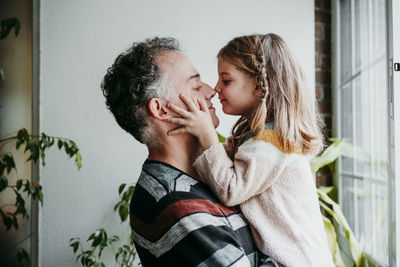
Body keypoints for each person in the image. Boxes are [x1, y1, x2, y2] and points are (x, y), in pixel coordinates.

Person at [100, 37, 277, 266]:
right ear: (162, 109)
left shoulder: (216, 172)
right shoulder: (175, 204)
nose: (212, 91)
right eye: (195, 85)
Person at [164, 33, 335, 267]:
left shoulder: (270, 143)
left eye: (226, 80)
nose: (216, 88)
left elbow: (230, 189)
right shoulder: (262, 138)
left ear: (257, 84)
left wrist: (206, 135)